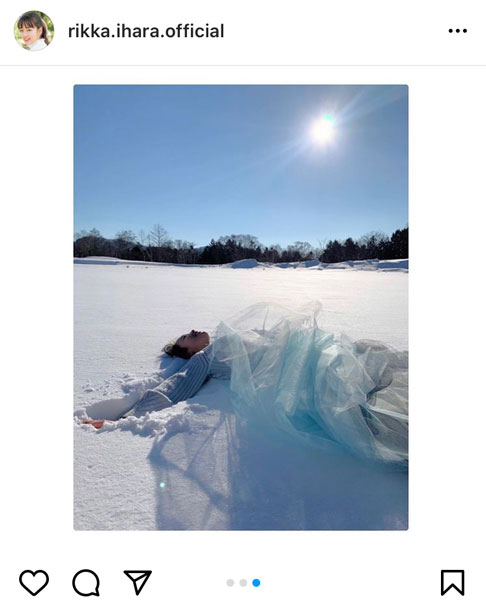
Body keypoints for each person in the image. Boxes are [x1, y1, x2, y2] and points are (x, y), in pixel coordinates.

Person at [84, 304, 408, 467]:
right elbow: (176, 388)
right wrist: (123, 418)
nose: (193, 330)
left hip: (302, 352)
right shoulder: (204, 358)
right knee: (352, 395)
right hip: (296, 371)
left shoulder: (224, 339)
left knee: (367, 360)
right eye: (187, 336)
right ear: (188, 351)